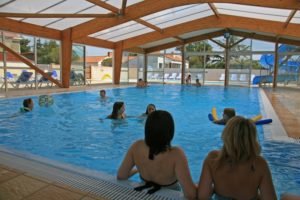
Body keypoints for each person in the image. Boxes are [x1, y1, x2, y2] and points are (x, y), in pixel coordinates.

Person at [117, 110, 196, 199]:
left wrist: (137, 170)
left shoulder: (137, 146)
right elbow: (190, 195)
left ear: (147, 129)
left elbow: (121, 176)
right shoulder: (176, 154)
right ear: (170, 131)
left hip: (143, 195)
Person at [198, 116, 277, 200]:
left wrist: (214, 189)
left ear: (226, 135)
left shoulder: (213, 159)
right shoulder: (259, 164)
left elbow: (203, 196)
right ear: (252, 138)